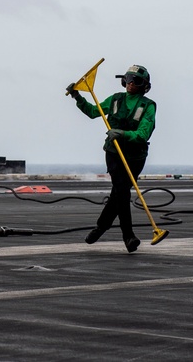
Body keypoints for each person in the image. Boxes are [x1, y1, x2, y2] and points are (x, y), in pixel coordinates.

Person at [67, 64, 156, 253]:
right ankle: (128, 236)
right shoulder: (116, 99)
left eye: (136, 81)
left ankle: (101, 227)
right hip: (114, 152)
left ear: (144, 85)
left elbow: (144, 133)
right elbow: (93, 112)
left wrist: (123, 134)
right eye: (128, 79)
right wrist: (77, 96)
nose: (131, 83)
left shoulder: (148, 106)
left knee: (118, 193)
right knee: (122, 191)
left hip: (135, 156)